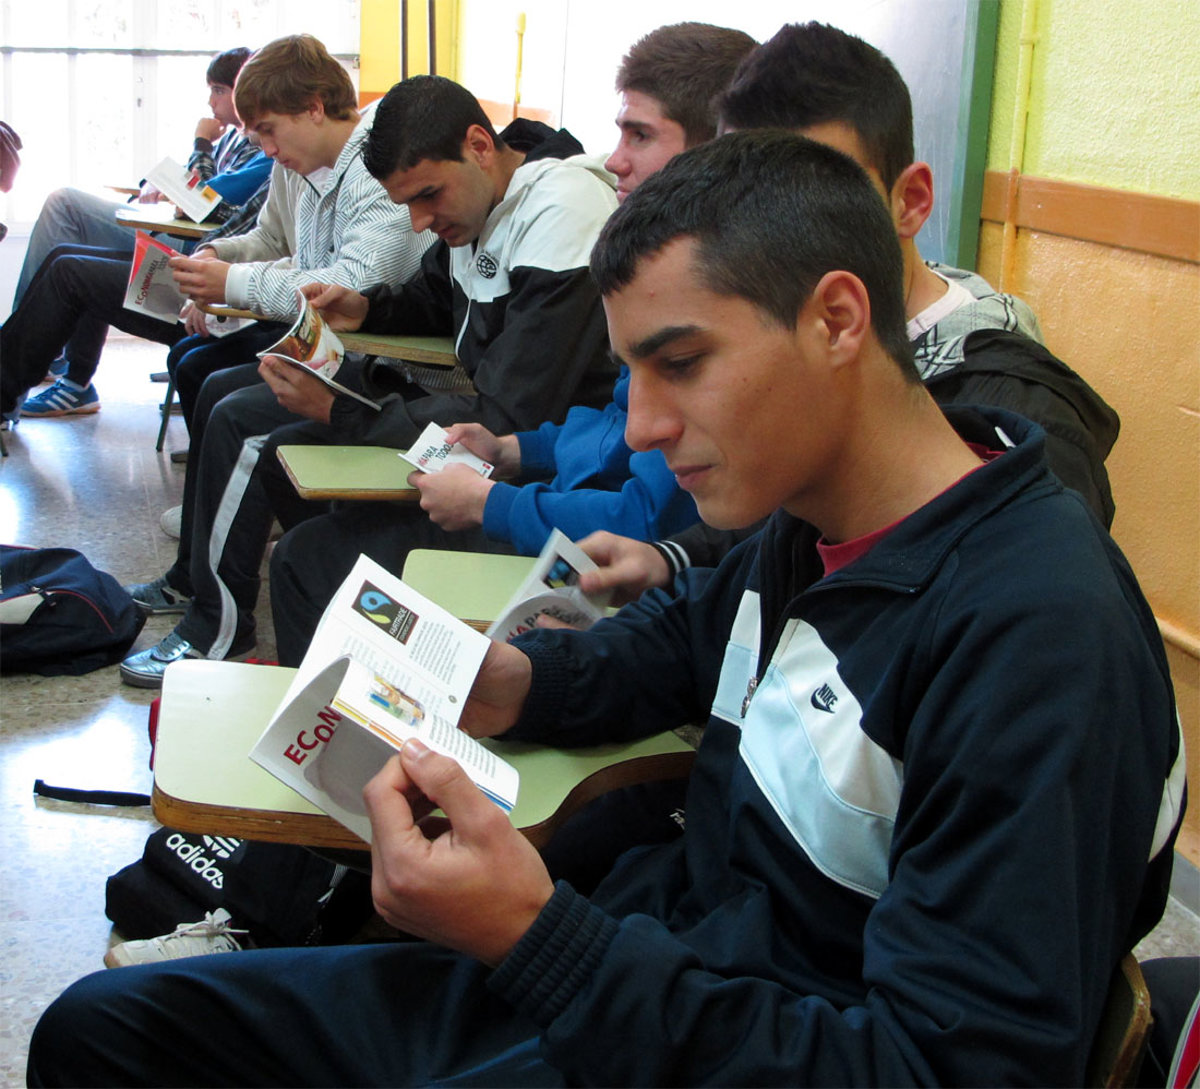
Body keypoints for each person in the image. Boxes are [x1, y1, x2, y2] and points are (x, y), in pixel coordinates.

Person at [27, 131, 1184, 1088]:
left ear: (838, 319)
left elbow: (948, 1068)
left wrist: (540, 940)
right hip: (654, 972)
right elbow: (683, 642)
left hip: (726, 1031)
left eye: (683, 364)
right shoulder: (808, 519)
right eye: (635, 373)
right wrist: (518, 681)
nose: (641, 428)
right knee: (103, 1032)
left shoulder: (1038, 638)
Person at [570, 20, 1120, 604]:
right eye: (740, 193)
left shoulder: (1017, 423)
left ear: (910, 201)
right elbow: (788, 533)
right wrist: (672, 558)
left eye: (815, 187)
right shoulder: (773, 341)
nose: (763, 230)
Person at [266, 22, 756, 666]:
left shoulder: (690, 290)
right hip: (557, 492)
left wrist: (494, 501)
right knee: (307, 500)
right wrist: (515, 449)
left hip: (581, 528)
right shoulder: (657, 271)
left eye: (639, 135)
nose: (614, 161)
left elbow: (643, 516)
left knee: (308, 556)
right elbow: (609, 423)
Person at [118, 74, 618, 687]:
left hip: (542, 473)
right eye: (406, 204)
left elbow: (511, 415)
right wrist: (368, 307)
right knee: (278, 453)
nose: (419, 222)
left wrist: (343, 412)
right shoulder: (476, 205)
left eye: (427, 196)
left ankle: (313, 663)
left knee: (298, 548)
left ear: (479, 145)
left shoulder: (561, 209)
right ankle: (363, 638)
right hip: (497, 432)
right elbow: (435, 295)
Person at [2, 36, 424, 425]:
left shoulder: (370, 165)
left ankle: (36, 389)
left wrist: (230, 282)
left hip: (349, 345)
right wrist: (216, 255)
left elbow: (353, 287)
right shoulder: (296, 159)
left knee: (77, 272)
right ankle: (64, 386)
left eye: (268, 130)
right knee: (187, 359)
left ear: (314, 108)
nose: (267, 148)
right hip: (296, 318)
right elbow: (270, 237)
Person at [11, 46, 257, 310]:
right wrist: (154, 181)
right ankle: (47, 335)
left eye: (218, 91)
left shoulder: (258, 148)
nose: (210, 102)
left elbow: (203, 198)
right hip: (179, 232)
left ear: (244, 91)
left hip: (193, 246)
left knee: (64, 204)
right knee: (70, 250)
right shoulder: (231, 137)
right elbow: (186, 178)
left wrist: (202, 142)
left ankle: (17, 329)